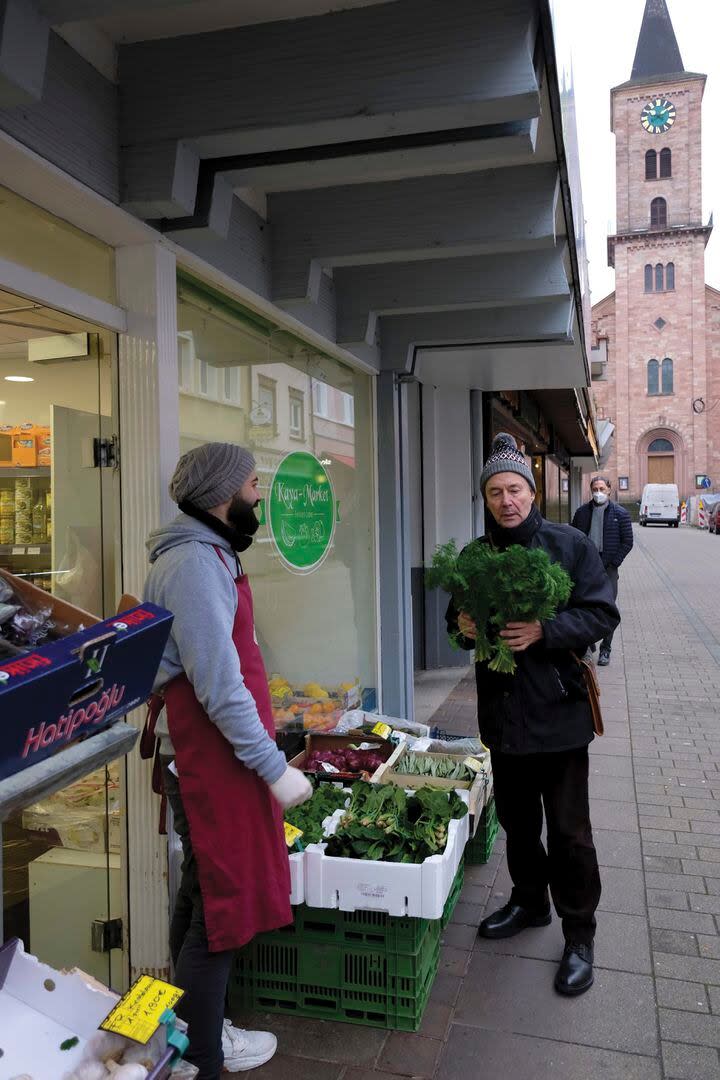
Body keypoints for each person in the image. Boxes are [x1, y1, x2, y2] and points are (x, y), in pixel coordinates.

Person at [143, 443, 312, 1078]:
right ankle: (200, 1061)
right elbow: (217, 682)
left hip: (216, 759)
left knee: (201, 898)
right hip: (211, 764)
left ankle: (187, 1038)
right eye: (252, 484)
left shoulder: (206, 554)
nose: (259, 496)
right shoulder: (193, 562)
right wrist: (274, 768)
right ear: (222, 494)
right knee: (224, 913)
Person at [446, 433, 619, 997]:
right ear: (486, 498)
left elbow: (601, 613)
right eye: (495, 491)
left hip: (561, 717)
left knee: (570, 833)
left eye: (515, 489)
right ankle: (529, 902)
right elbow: (454, 617)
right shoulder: (475, 556)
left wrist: (545, 631)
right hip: (503, 717)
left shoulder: (569, 546)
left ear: (531, 492)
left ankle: (580, 934)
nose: (506, 500)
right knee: (519, 826)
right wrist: (462, 626)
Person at [571, 476, 633, 666]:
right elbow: (573, 539)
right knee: (583, 607)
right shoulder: (581, 513)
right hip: (586, 569)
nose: (598, 492)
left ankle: (606, 649)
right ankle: (588, 645)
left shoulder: (620, 513)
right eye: (595, 489)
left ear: (609, 490)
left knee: (607, 609)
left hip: (609, 570)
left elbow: (627, 542)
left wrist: (614, 563)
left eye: (602, 488)